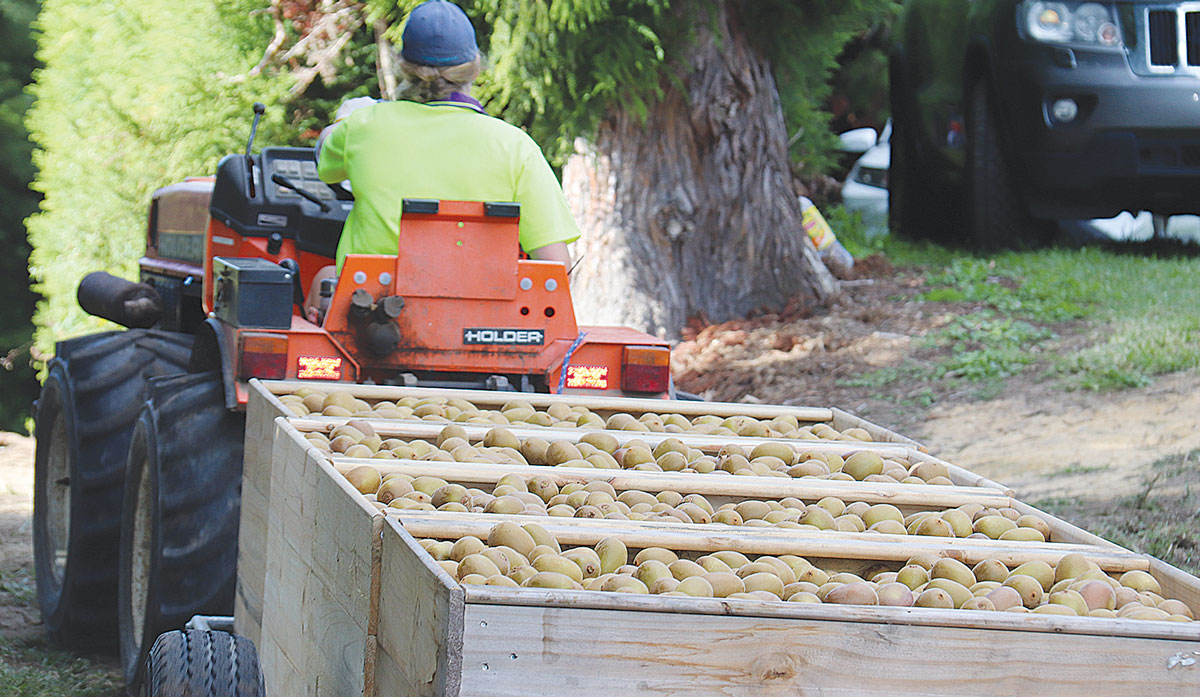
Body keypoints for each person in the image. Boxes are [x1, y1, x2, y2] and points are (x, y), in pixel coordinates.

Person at [305, 0, 578, 317]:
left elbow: (325, 161)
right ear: (475, 68)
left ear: (403, 64)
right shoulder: (515, 146)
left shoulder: (364, 126)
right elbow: (556, 268)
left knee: (323, 281)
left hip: (372, 313)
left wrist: (343, 122)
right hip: (482, 320)